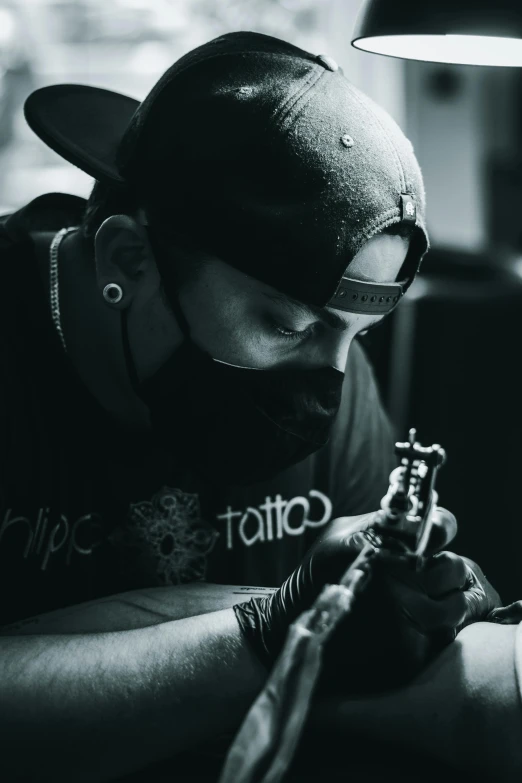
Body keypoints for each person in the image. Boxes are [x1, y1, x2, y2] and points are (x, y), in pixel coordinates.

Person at [0, 31, 506, 782]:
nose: (330, 382)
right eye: (286, 325)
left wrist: (419, 613)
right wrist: (268, 635)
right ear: (127, 261)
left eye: (358, 336)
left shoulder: (329, 366)